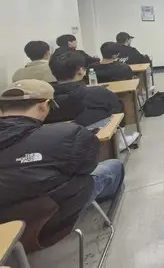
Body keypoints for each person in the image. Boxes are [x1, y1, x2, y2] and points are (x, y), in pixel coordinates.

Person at [0, 79, 125, 243]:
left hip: (5, 232)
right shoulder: (67, 135)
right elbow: (87, 168)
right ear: (44, 106)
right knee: (114, 166)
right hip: (53, 221)